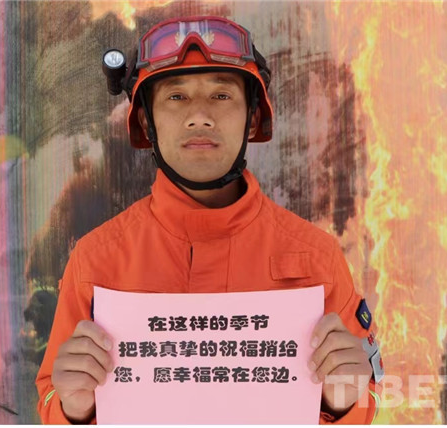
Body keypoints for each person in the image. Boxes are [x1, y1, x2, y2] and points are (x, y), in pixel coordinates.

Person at [36, 15, 384, 424]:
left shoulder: (317, 259)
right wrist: (74, 407)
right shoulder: (96, 262)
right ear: (146, 120)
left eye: (221, 95)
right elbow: (51, 400)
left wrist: (342, 400)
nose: (199, 116)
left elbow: (366, 401)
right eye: (176, 96)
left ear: (252, 118)